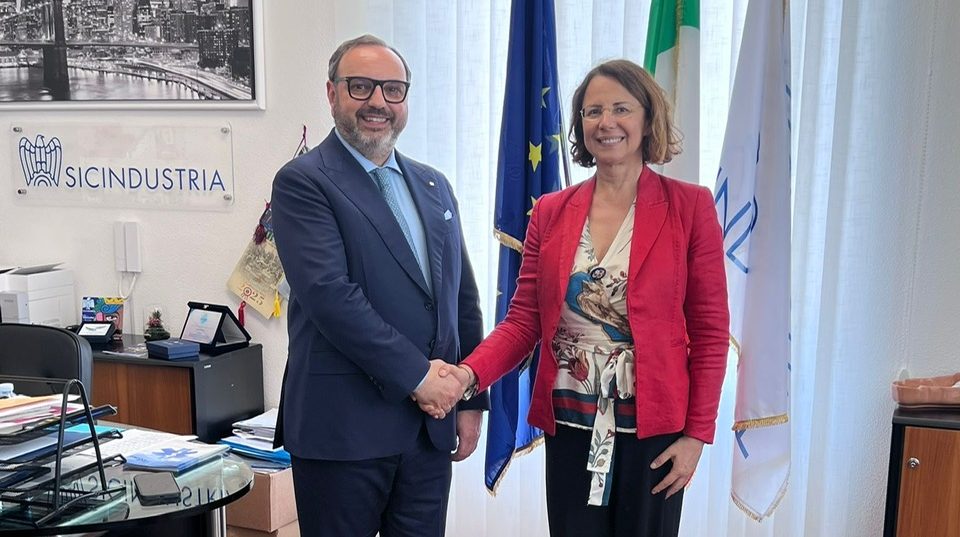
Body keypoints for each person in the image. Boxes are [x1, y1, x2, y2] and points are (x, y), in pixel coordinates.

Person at [429, 59, 729, 536]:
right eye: (593, 111)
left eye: (621, 109)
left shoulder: (690, 207)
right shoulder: (551, 211)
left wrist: (696, 435)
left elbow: (711, 334)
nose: (606, 122)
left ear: (648, 118)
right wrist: (468, 375)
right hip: (570, 423)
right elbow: (523, 322)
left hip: (655, 434)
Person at [271, 34, 488, 537]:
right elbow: (332, 297)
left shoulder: (435, 185)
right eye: (361, 86)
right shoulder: (304, 181)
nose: (378, 102)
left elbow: (461, 300)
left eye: (392, 89)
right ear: (332, 93)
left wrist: (471, 397)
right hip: (343, 432)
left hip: (428, 432)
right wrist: (420, 378)